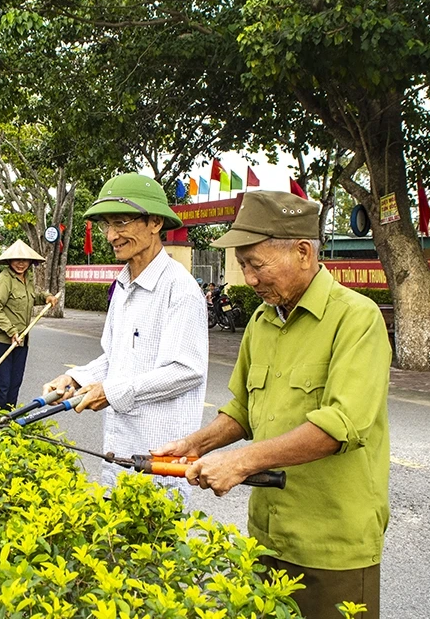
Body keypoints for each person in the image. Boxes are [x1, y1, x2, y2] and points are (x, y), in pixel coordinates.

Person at [152, 190, 391, 619]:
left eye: (256, 264)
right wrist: (198, 444)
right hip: (266, 534)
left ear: (303, 252)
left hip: (330, 544)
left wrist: (241, 462)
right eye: (243, 265)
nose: (248, 278)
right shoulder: (262, 322)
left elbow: (341, 425)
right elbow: (243, 409)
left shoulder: (357, 318)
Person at [43, 173, 207, 499]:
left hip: (160, 460)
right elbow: (115, 358)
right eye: (107, 225)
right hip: (118, 455)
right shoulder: (122, 284)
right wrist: (75, 379)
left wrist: (113, 392)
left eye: (121, 222)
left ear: (155, 222)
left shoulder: (180, 289)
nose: (111, 235)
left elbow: (186, 370)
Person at [0, 240, 59, 409]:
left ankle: (10, 418)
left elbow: (33, 297)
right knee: (2, 386)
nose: (21, 264)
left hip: (22, 339)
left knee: (15, 383)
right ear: (9, 261)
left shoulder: (27, 279)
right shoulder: (3, 280)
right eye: (17, 260)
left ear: (30, 262)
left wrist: (46, 297)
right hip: (3, 340)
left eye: (25, 260)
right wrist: (11, 331)